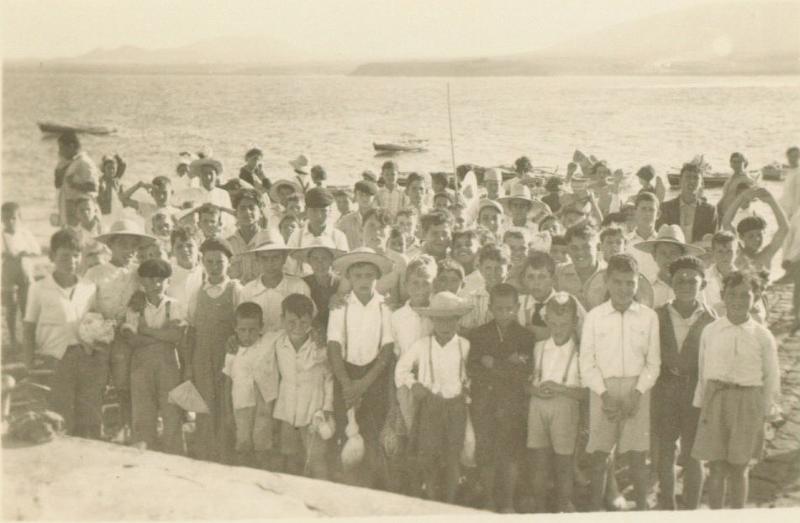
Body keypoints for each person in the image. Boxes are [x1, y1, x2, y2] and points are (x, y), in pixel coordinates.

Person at [692, 271, 780, 509]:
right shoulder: (711, 331)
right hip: (716, 401)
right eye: (732, 294)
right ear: (723, 296)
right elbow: (703, 369)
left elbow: (771, 376)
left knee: (739, 467)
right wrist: (702, 404)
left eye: (745, 295)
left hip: (747, 402)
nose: (738, 301)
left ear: (757, 296)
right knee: (716, 466)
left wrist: (766, 410)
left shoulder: (762, 336)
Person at [580, 254, 660, 511]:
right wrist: (604, 394)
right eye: (618, 282)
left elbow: (653, 363)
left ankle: (642, 511)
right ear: (606, 281)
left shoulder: (648, 317)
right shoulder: (594, 317)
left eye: (630, 283)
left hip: (638, 390)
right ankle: (594, 510)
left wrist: (637, 392)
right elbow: (587, 363)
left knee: (637, 457)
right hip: (603, 390)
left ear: (637, 283)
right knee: (600, 456)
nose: (624, 289)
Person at [22, 229, 103, 438]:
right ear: (52, 257)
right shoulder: (39, 288)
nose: (71, 261)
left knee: (89, 413)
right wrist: (28, 362)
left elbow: (95, 322)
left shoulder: (89, 287)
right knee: (59, 415)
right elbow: (29, 327)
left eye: (76, 256)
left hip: (85, 357)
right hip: (54, 358)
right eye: (64, 256)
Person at [327, 248, 395, 488]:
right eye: (358, 276)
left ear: (377, 277)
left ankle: (372, 489)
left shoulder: (385, 306)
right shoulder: (340, 306)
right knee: (344, 433)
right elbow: (334, 345)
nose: (364, 281)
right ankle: (346, 486)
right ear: (349, 278)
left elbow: (387, 348)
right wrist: (347, 385)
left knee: (371, 432)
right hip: (345, 374)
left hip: (374, 376)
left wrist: (364, 384)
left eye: (369, 275)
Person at [395, 291, 472, 503]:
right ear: (432, 320)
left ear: (457, 320)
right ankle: (430, 499)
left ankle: (450, 502)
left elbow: (472, 376)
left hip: (456, 406)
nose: (445, 325)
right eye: (439, 319)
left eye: (450, 319)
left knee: (453, 455)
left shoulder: (464, 345)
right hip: (430, 406)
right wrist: (415, 384)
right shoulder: (422, 345)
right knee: (428, 456)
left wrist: (467, 389)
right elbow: (401, 370)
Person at [652, 256, 715, 510]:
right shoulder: (658, 316)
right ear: (671, 283)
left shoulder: (711, 321)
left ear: (702, 285)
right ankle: (667, 503)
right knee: (666, 450)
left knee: (694, 454)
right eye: (680, 280)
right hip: (665, 389)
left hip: (695, 391)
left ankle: (691, 507)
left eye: (692, 280)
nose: (686, 284)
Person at [85, 219, 155, 443]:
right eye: (123, 244)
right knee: (96, 384)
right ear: (111, 246)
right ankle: (95, 430)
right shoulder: (95, 273)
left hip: (126, 337)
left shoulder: (138, 274)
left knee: (125, 384)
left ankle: (127, 427)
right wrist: (99, 329)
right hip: (98, 335)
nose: (129, 250)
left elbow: (145, 302)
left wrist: (140, 302)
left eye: (133, 245)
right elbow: (86, 308)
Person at [467, 283, 534, 512]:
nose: (504, 313)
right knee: (485, 452)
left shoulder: (525, 336)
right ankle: (488, 499)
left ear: (517, 307)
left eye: (509, 308)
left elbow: (524, 372)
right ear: (490, 307)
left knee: (510, 453)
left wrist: (494, 363)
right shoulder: (478, 334)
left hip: (512, 404)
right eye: (499, 308)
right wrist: (508, 363)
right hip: (484, 403)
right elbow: (473, 369)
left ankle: (508, 503)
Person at [120, 258, 187, 454]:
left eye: (160, 280)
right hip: (141, 365)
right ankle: (144, 460)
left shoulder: (174, 306)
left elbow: (176, 335)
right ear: (142, 282)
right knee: (143, 415)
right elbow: (132, 340)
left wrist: (147, 332)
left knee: (172, 414)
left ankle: (175, 459)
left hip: (168, 365)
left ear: (168, 282)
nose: (156, 285)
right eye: (150, 280)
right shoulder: (135, 307)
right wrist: (162, 337)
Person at [185, 238, 242, 463]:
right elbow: (190, 330)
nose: (215, 267)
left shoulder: (236, 289)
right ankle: (205, 458)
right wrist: (189, 365)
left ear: (229, 263)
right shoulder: (197, 292)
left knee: (227, 407)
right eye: (209, 262)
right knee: (204, 408)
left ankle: (226, 457)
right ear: (202, 262)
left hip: (228, 358)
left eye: (219, 262)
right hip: (202, 359)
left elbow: (244, 324)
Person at [528, 292, 585, 513]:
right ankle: (540, 508)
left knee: (564, 462)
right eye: (553, 322)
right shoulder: (539, 347)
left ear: (574, 322)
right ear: (547, 320)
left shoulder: (580, 352)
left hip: (566, 407)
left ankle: (562, 506)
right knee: (539, 461)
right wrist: (535, 390)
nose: (558, 328)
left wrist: (560, 388)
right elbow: (526, 383)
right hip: (537, 406)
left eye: (564, 323)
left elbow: (586, 394)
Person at [273, 294, 334, 479]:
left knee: (315, 458)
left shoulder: (319, 346)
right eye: (291, 322)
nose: (297, 327)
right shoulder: (278, 343)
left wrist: (327, 408)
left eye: (303, 322)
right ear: (282, 319)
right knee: (290, 455)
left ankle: (322, 495)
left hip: (313, 408)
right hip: (287, 407)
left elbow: (329, 377)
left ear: (311, 322)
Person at [222, 301, 278, 469]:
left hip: (264, 402)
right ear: (235, 328)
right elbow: (227, 382)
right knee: (243, 442)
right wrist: (228, 411)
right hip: (241, 403)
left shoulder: (269, 342)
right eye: (242, 330)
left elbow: (290, 331)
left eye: (253, 330)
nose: (247, 335)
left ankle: (262, 478)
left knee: (262, 442)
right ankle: (243, 481)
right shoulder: (232, 352)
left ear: (261, 327)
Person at [240, 236, 310, 332]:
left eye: (275, 257)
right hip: (258, 345)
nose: (270, 263)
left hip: (289, 344)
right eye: (264, 258)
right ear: (257, 260)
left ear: (284, 259)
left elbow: (308, 320)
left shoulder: (298, 286)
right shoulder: (248, 290)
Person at [634, 224, 705, 309]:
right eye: (663, 253)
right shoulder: (645, 286)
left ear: (682, 256)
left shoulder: (693, 287)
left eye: (673, 253)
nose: (668, 258)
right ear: (654, 256)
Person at [722, 186, 789, 272]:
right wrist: (741, 197)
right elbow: (726, 222)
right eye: (751, 236)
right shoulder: (737, 252)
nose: (757, 239)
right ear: (741, 237)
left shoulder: (766, 255)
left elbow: (784, 228)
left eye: (759, 235)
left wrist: (771, 200)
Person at [2, 202, 41, 351]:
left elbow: (37, 250)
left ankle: (28, 339)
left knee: (27, 306)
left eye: (13, 218)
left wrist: (25, 252)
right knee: (11, 306)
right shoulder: (1, 234)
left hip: (25, 271)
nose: (9, 222)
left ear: (20, 218)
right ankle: (12, 339)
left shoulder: (24, 233)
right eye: (5, 219)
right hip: (8, 272)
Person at [287, 187, 349, 273]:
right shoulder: (296, 236)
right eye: (314, 210)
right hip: (302, 284)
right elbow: (290, 269)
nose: (319, 216)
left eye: (323, 211)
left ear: (330, 210)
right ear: (306, 210)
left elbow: (343, 268)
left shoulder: (338, 236)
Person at [657, 163, 718, 244]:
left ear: (701, 184)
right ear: (680, 181)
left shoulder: (710, 211)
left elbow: (713, 242)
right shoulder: (665, 208)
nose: (691, 181)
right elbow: (660, 238)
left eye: (695, 178)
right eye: (688, 177)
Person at [53, 131, 100, 227]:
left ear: (71, 146)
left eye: (62, 147)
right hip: (68, 207)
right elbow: (58, 185)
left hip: (82, 210)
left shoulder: (84, 162)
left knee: (79, 237)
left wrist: (74, 184)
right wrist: (58, 173)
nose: (59, 151)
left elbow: (94, 187)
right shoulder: (70, 162)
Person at [460, 243, 510, 332]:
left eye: (498, 268)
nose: (493, 273)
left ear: (508, 269)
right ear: (480, 269)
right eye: (488, 268)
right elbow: (465, 329)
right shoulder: (472, 298)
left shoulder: (517, 296)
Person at [297, 240, 344, 333]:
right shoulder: (302, 283)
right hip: (311, 331)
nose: (320, 263)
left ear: (331, 260)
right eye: (315, 258)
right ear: (309, 261)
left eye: (324, 258)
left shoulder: (341, 283)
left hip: (338, 330)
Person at [555, 224, 603, 308]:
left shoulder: (609, 275)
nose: (580, 253)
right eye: (574, 248)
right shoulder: (559, 272)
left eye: (586, 247)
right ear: (567, 250)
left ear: (598, 247)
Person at [226, 188, 266, 284]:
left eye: (252, 208)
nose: (247, 212)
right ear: (236, 213)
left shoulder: (268, 240)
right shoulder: (227, 244)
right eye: (242, 208)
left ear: (260, 212)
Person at [517, 251, 559, 340]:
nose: (536, 283)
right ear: (523, 280)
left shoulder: (567, 302)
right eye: (530, 277)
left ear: (553, 279)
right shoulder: (517, 305)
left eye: (542, 277)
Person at [626, 192, 661, 283]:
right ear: (635, 212)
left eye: (651, 210)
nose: (647, 213)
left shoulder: (663, 243)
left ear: (658, 214)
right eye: (643, 209)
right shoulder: (625, 242)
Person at [703, 231, 737, 316]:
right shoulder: (703, 278)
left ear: (737, 252)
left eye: (729, 251)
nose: (725, 256)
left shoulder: (745, 279)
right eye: (720, 251)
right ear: (713, 252)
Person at [166, 228, 204, 305]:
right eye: (179, 247)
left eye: (189, 245)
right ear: (173, 250)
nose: (185, 250)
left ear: (198, 247)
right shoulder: (167, 275)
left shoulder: (206, 273)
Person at [337, 180, 378, 250]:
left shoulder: (382, 218)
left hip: (375, 259)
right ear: (355, 196)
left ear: (373, 197)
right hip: (353, 259)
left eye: (368, 195)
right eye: (361, 194)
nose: (364, 198)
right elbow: (337, 240)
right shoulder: (346, 220)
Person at [717, 152, 752, 219]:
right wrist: (718, 206)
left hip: (734, 215)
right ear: (730, 163)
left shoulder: (746, 179)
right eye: (734, 162)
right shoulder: (731, 177)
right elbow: (725, 195)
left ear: (744, 163)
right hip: (722, 212)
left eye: (739, 162)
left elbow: (746, 203)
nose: (736, 164)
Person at [452, 229, 482, 295]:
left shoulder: (482, 278)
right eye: (458, 246)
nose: (463, 248)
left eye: (468, 245)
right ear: (452, 252)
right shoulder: (448, 278)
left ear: (479, 250)